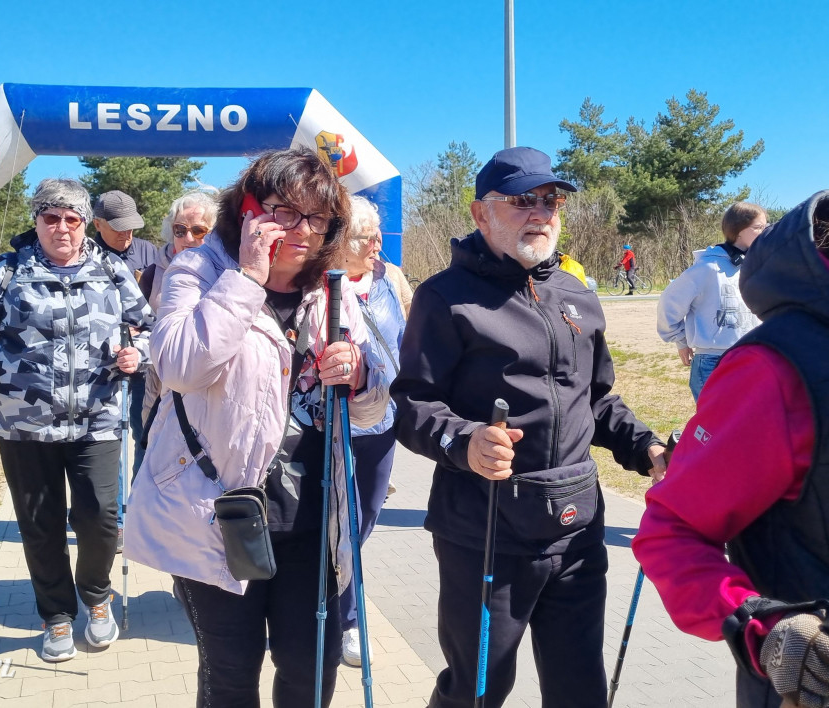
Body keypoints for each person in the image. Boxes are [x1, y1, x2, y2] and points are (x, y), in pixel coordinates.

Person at [391, 146, 667, 708]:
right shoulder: (445, 297)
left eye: (551, 199)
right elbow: (412, 404)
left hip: (576, 525)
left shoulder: (578, 295)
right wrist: (465, 443)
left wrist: (648, 449)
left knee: (579, 687)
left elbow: (596, 398)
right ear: (480, 213)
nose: (540, 211)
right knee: (478, 689)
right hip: (485, 529)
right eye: (522, 200)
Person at [124, 147, 389, 707]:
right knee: (230, 674)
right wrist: (247, 279)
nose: (300, 230)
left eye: (316, 218)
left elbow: (371, 411)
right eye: (282, 211)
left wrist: (360, 377)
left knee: (309, 671)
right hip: (219, 513)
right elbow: (176, 365)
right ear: (247, 210)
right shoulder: (194, 272)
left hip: (313, 521)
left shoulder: (332, 290)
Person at [0, 178, 154, 663]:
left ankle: (97, 599)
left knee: (100, 517)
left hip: (96, 417)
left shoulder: (111, 270)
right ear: (36, 221)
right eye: (50, 218)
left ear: (85, 224)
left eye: (71, 219)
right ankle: (56, 615)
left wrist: (134, 355)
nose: (61, 227)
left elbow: (147, 329)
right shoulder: (7, 271)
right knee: (40, 525)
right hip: (24, 423)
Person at [633, 191, 829, 708]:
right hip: (722, 364)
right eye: (756, 226)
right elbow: (670, 530)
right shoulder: (711, 272)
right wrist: (763, 628)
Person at [338, 195, 406, 667]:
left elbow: (414, 336)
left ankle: (328, 588)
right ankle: (348, 620)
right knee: (342, 525)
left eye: (378, 234)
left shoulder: (392, 280)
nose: (377, 244)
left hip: (383, 424)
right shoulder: (320, 285)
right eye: (367, 237)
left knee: (363, 523)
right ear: (341, 240)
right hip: (334, 424)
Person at [656, 202, 766, 401]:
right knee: (716, 428)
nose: (764, 233)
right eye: (758, 228)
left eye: (766, 227)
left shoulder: (758, 266)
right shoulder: (707, 268)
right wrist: (681, 341)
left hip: (752, 358)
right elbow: (669, 304)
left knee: (747, 426)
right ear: (738, 230)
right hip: (712, 362)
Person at [92, 190, 152, 549]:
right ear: (97, 224)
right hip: (103, 371)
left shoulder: (149, 253)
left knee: (145, 438)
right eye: (117, 228)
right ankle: (112, 521)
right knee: (109, 440)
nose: (126, 235)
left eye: (131, 227)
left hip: (144, 366)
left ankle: (141, 512)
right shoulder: (85, 256)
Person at [137, 190, 216, 442]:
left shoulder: (229, 273)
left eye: (199, 231)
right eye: (180, 230)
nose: (188, 238)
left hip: (211, 387)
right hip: (161, 386)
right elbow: (141, 326)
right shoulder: (152, 274)